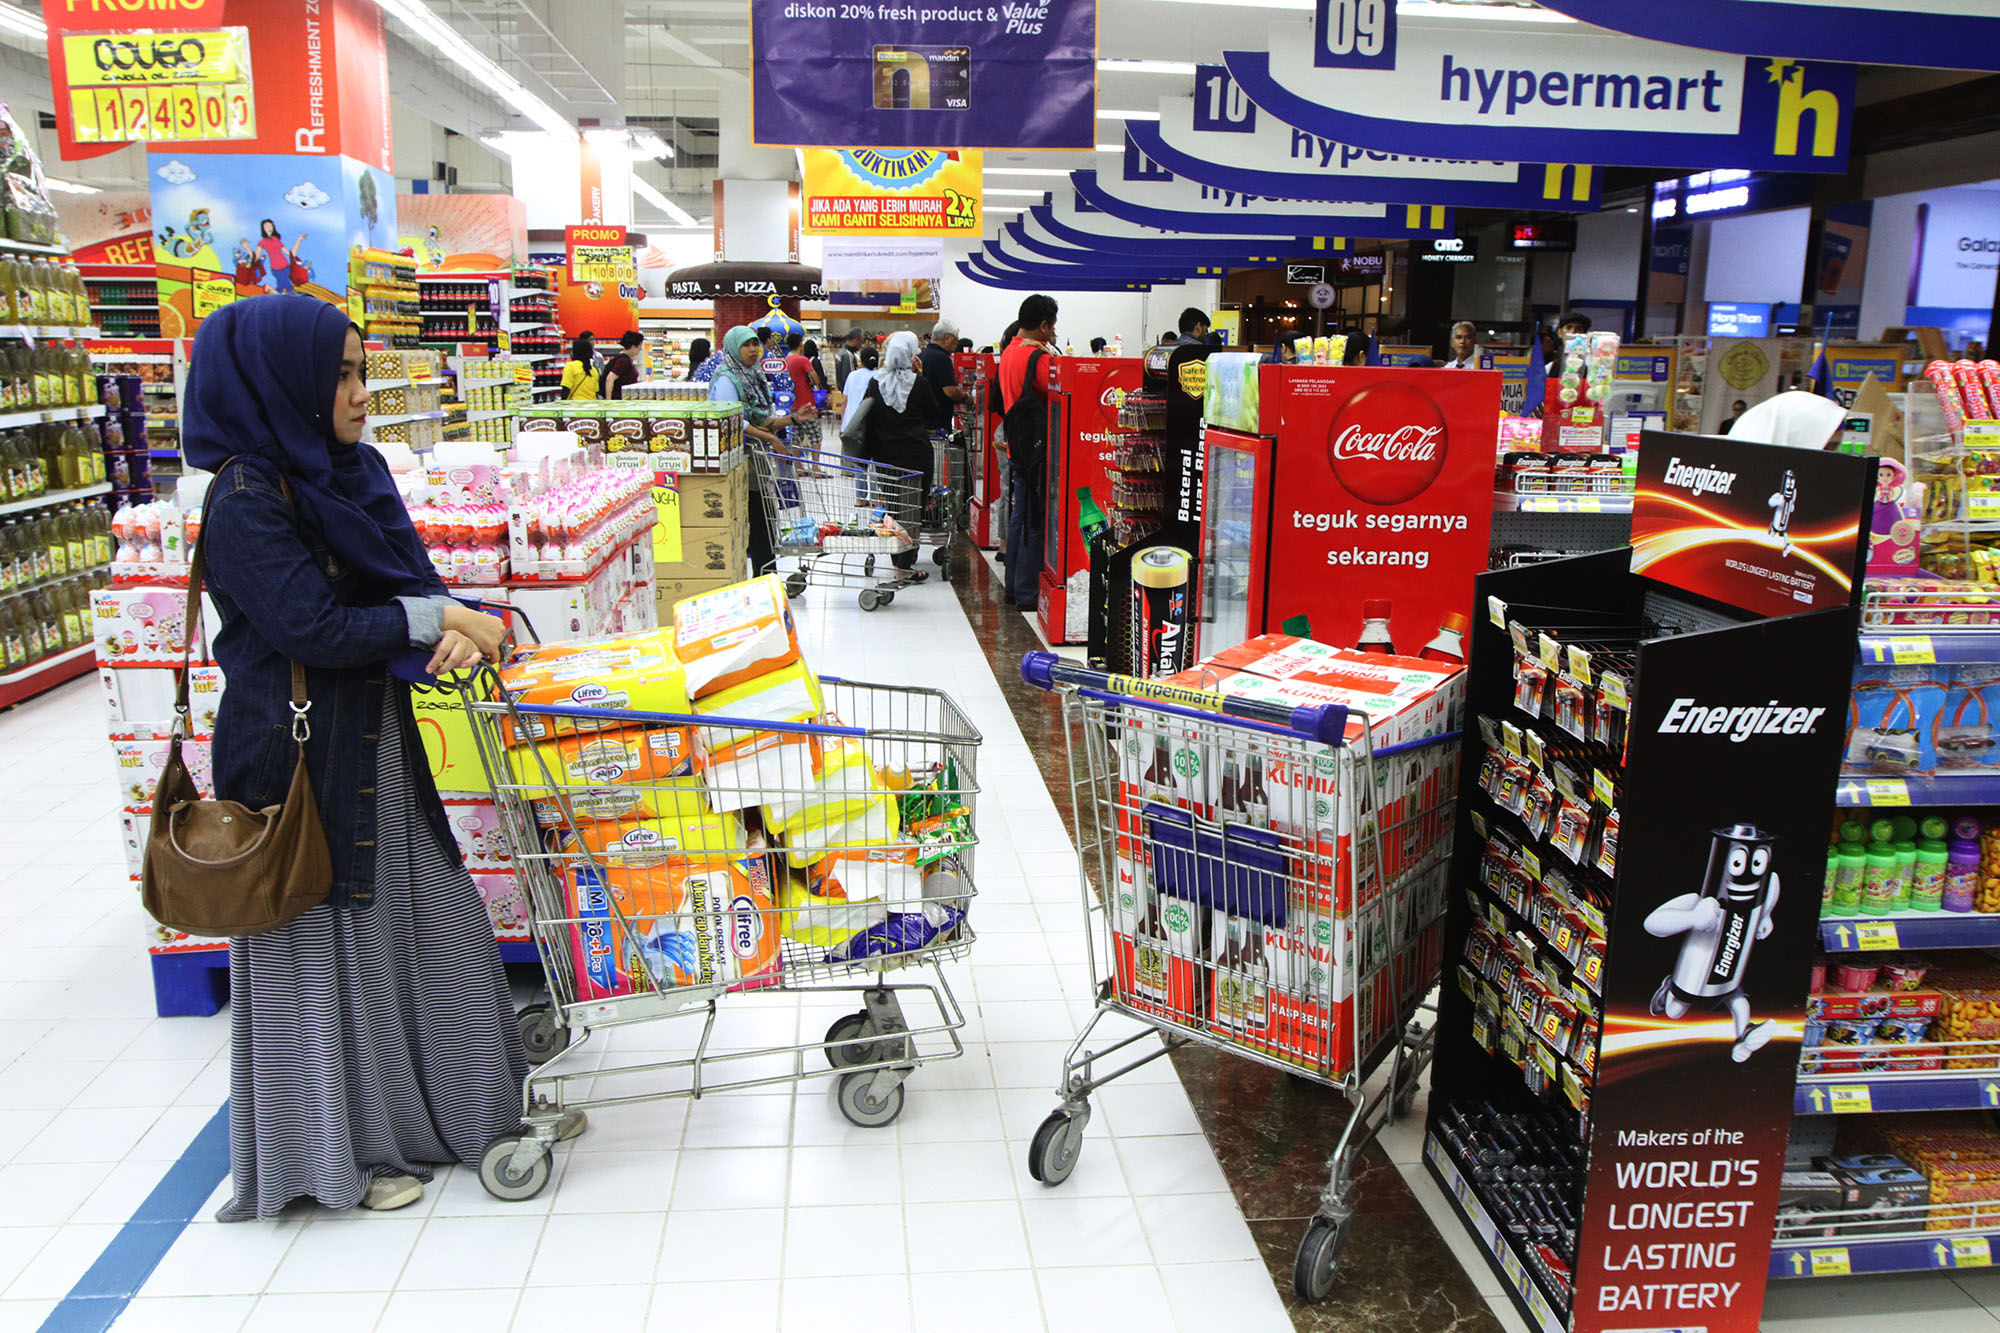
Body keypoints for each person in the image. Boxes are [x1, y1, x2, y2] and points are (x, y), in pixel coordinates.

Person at [183, 298, 545, 1221]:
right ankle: (336, 1158)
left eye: (360, 369)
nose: (358, 392)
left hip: (378, 746)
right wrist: (438, 619)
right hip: (298, 764)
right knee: (321, 957)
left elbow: (405, 586)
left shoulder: (355, 473)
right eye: (338, 374)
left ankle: (472, 1113)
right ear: (282, 382)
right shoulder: (245, 498)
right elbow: (313, 624)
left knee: (435, 920)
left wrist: (453, 618)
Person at [709, 326, 816, 577]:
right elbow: (735, 420)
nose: (753, 349)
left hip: (755, 457)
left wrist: (794, 419)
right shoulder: (727, 378)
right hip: (738, 459)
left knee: (765, 519)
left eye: (755, 344)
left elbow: (762, 419)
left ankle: (767, 574)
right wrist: (770, 438)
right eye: (746, 345)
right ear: (734, 347)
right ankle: (765, 576)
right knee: (759, 519)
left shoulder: (751, 375)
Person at [849, 331, 943, 583]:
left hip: (884, 457)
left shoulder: (875, 382)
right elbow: (935, 417)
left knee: (893, 507)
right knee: (913, 509)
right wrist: (921, 377)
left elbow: (866, 418)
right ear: (911, 354)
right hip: (916, 457)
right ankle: (905, 564)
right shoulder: (919, 384)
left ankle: (897, 563)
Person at [999, 294, 1057, 609]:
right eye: (1051, 328)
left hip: (1016, 446)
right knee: (1035, 522)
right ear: (1044, 325)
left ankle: (1013, 587)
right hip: (1036, 451)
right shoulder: (1038, 358)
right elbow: (1061, 391)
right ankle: (1028, 593)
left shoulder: (1009, 351)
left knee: (1019, 517)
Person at [919, 318, 965, 428]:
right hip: (937, 421)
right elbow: (950, 391)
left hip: (923, 418)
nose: (957, 343)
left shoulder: (922, 354)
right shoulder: (942, 358)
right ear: (947, 337)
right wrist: (966, 398)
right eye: (956, 339)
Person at [840, 341, 881, 453]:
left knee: (849, 465)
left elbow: (844, 401)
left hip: (850, 427)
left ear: (861, 361)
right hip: (871, 428)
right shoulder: (879, 377)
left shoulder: (852, 375)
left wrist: (842, 426)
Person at [600, 330, 644, 399]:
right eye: (640, 346)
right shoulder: (623, 360)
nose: (641, 349)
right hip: (619, 400)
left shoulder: (625, 358)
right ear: (633, 346)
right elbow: (610, 378)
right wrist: (608, 400)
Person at [559, 334, 599, 399]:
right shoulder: (593, 370)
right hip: (592, 405)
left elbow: (566, 389)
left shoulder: (571, 366)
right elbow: (596, 392)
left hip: (576, 406)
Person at [782, 332, 817, 406]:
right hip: (805, 401)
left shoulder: (785, 361)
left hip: (790, 400)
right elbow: (816, 379)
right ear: (800, 344)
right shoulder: (803, 360)